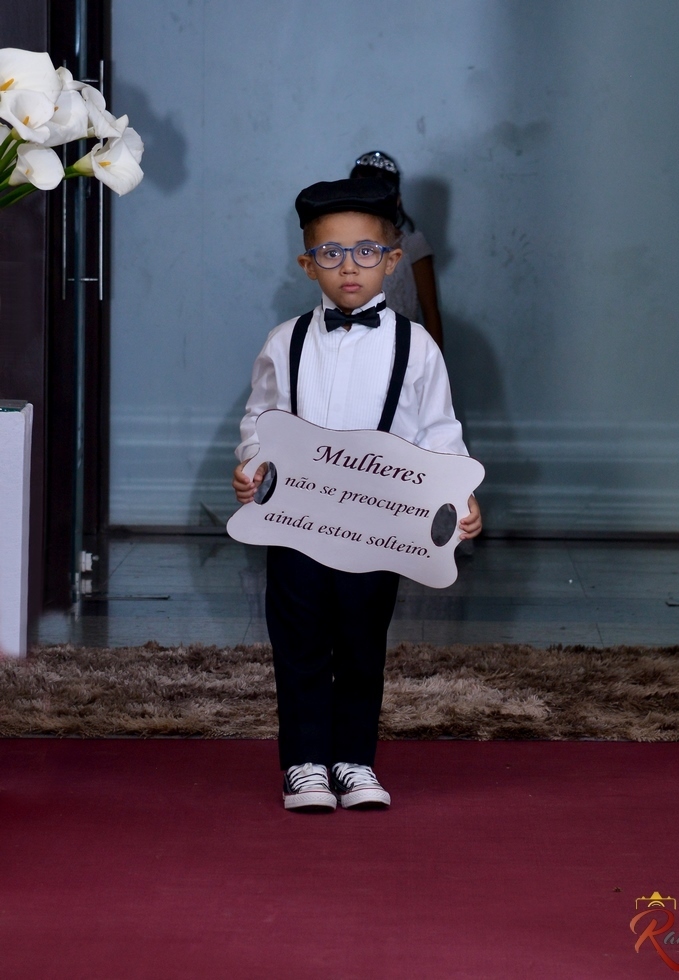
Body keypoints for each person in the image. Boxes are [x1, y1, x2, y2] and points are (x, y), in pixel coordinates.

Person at [232, 178, 481, 813]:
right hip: (295, 523)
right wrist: (251, 466)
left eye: (366, 252)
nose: (349, 267)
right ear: (306, 261)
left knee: (363, 643)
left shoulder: (415, 347)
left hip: (377, 530)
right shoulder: (282, 341)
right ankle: (306, 764)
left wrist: (458, 501)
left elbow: (438, 431)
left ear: (393, 261)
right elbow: (260, 420)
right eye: (332, 252)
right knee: (301, 643)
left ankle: (354, 761)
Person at [350, 150, 444, 350]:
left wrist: (435, 374)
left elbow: (431, 312)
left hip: (402, 354)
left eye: (379, 195)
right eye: (362, 195)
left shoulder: (413, 246)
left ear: (397, 200)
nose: (370, 204)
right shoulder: (342, 248)